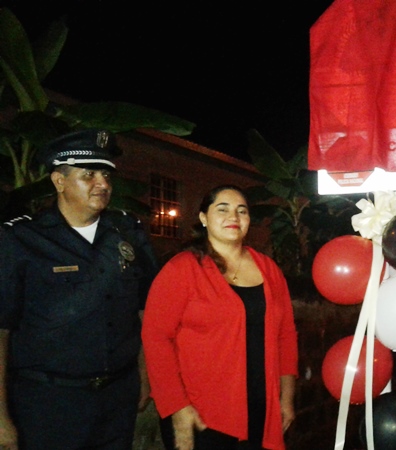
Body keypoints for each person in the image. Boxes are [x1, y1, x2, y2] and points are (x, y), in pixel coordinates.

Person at [0, 129, 159, 449]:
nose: (103, 184)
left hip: (118, 399)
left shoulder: (127, 232)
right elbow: (1, 331)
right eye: (89, 175)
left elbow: (146, 311)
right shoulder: (20, 239)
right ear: (59, 181)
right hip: (48, 404)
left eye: (106, 175)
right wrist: (0, 415)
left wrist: (144, 376)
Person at [142, 185, 298, 450]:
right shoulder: (182, 269)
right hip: (201, 413)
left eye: (242, 211)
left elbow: (286, 335)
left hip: (261, 408)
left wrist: (286, 398)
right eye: (222, 209)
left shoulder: (269, 269)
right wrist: (176, 406)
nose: (233, 217)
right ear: (204, 218)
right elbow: (156, 338)